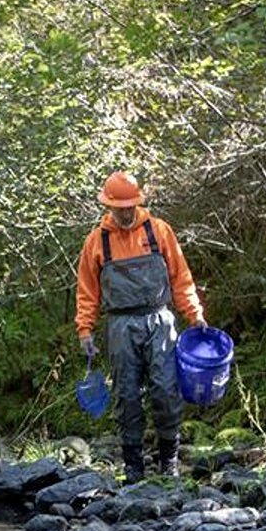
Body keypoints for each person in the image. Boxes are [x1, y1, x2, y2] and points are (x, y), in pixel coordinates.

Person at [76, 171, 205, 483]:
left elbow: (181, 277)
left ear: (138, 203)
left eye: (129, 206)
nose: (125, 212)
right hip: (120, 325)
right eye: (118, 207)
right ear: (108, 206)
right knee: (126, 393)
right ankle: (133, 465)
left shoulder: (159, 231)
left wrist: (195, 314)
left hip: (160, 320)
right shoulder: (96, 242)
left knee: (165, 388)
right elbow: (87, 291)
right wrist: (85, 330)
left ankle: (169, 461)